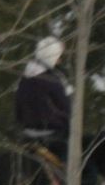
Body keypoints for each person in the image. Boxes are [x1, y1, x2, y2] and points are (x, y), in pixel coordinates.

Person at [15, 35, 71, 164]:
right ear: (51, 57)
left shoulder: (24, 79)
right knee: (83, 174)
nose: (60, 60)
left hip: (27, 135)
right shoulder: (53, 80)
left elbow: (18, 109)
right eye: (58, 56)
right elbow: (67, 108)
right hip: (54, 136)